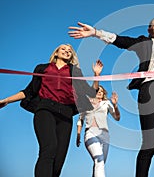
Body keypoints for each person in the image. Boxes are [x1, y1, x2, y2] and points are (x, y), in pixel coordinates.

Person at [68, 17, 154, 177]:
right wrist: (96, 33)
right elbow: (121, 41)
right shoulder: (144, 43)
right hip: (151, 89)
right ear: (149, 29)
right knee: (150, 144)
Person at [0, 44, 103, 177]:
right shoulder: (42, 68)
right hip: (45, 110)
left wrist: (96, 76)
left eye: (69, 51)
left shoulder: (75, 71)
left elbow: (91, 92)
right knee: (49, 148)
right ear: (56, 53)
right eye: (63, 49)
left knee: (59, 159)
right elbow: (29, 92)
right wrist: (6, 100)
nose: (67, 51)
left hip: (66, 115)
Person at [76, 85, 120, 177]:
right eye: (98, 91)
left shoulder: (106, 103)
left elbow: (117, 117)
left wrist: (115, 105)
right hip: (90, 133)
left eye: (102, 91)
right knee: (99, 160)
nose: (100, 92)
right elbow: (80, 120)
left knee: (100, 163)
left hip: (104, 135)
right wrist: (78, 135)